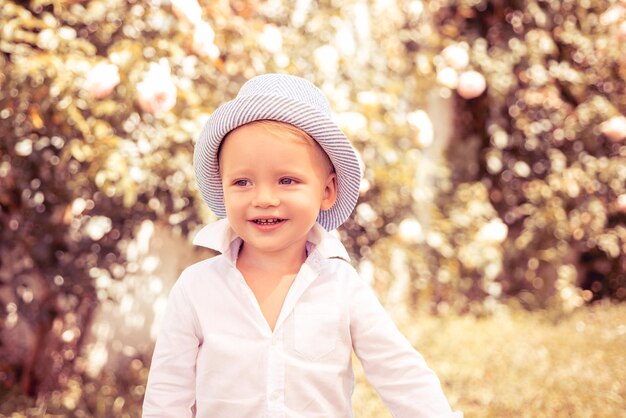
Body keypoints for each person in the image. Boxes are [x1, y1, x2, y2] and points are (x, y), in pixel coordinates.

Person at [143, 73, 462, 418]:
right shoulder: (197, 287)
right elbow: (167, 394)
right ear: (222, 189)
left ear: (327, 192)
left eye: (287, 180)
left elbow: (400, 372)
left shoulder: (341, 286)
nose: (264, 198)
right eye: (242, 181)